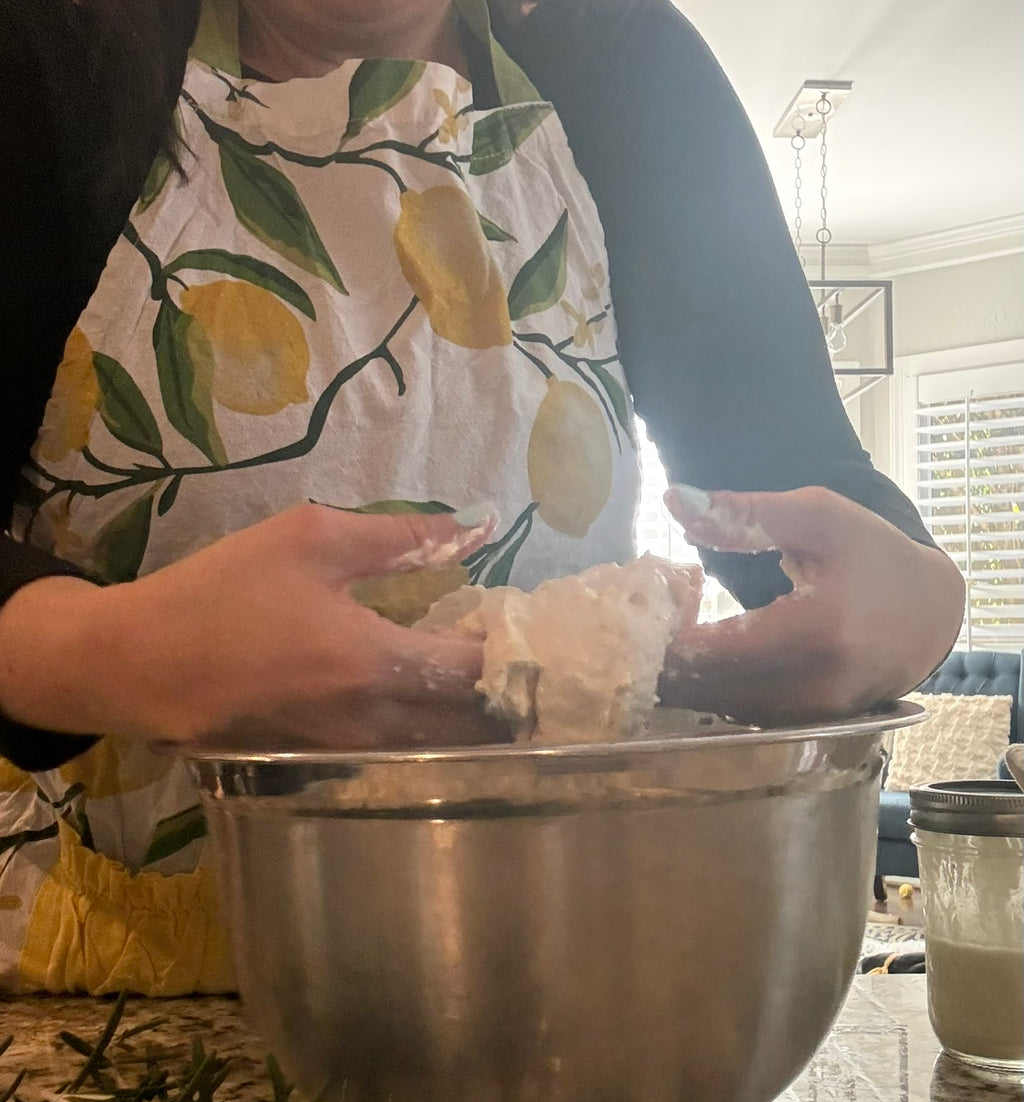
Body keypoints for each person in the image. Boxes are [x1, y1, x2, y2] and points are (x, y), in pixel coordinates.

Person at [0, 0, 963, 995]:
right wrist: (114, 652)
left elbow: (804, 482)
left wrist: (922, 600)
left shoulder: (626, 66)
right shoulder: (49, 49)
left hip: (539, 981)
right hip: (118, 990)